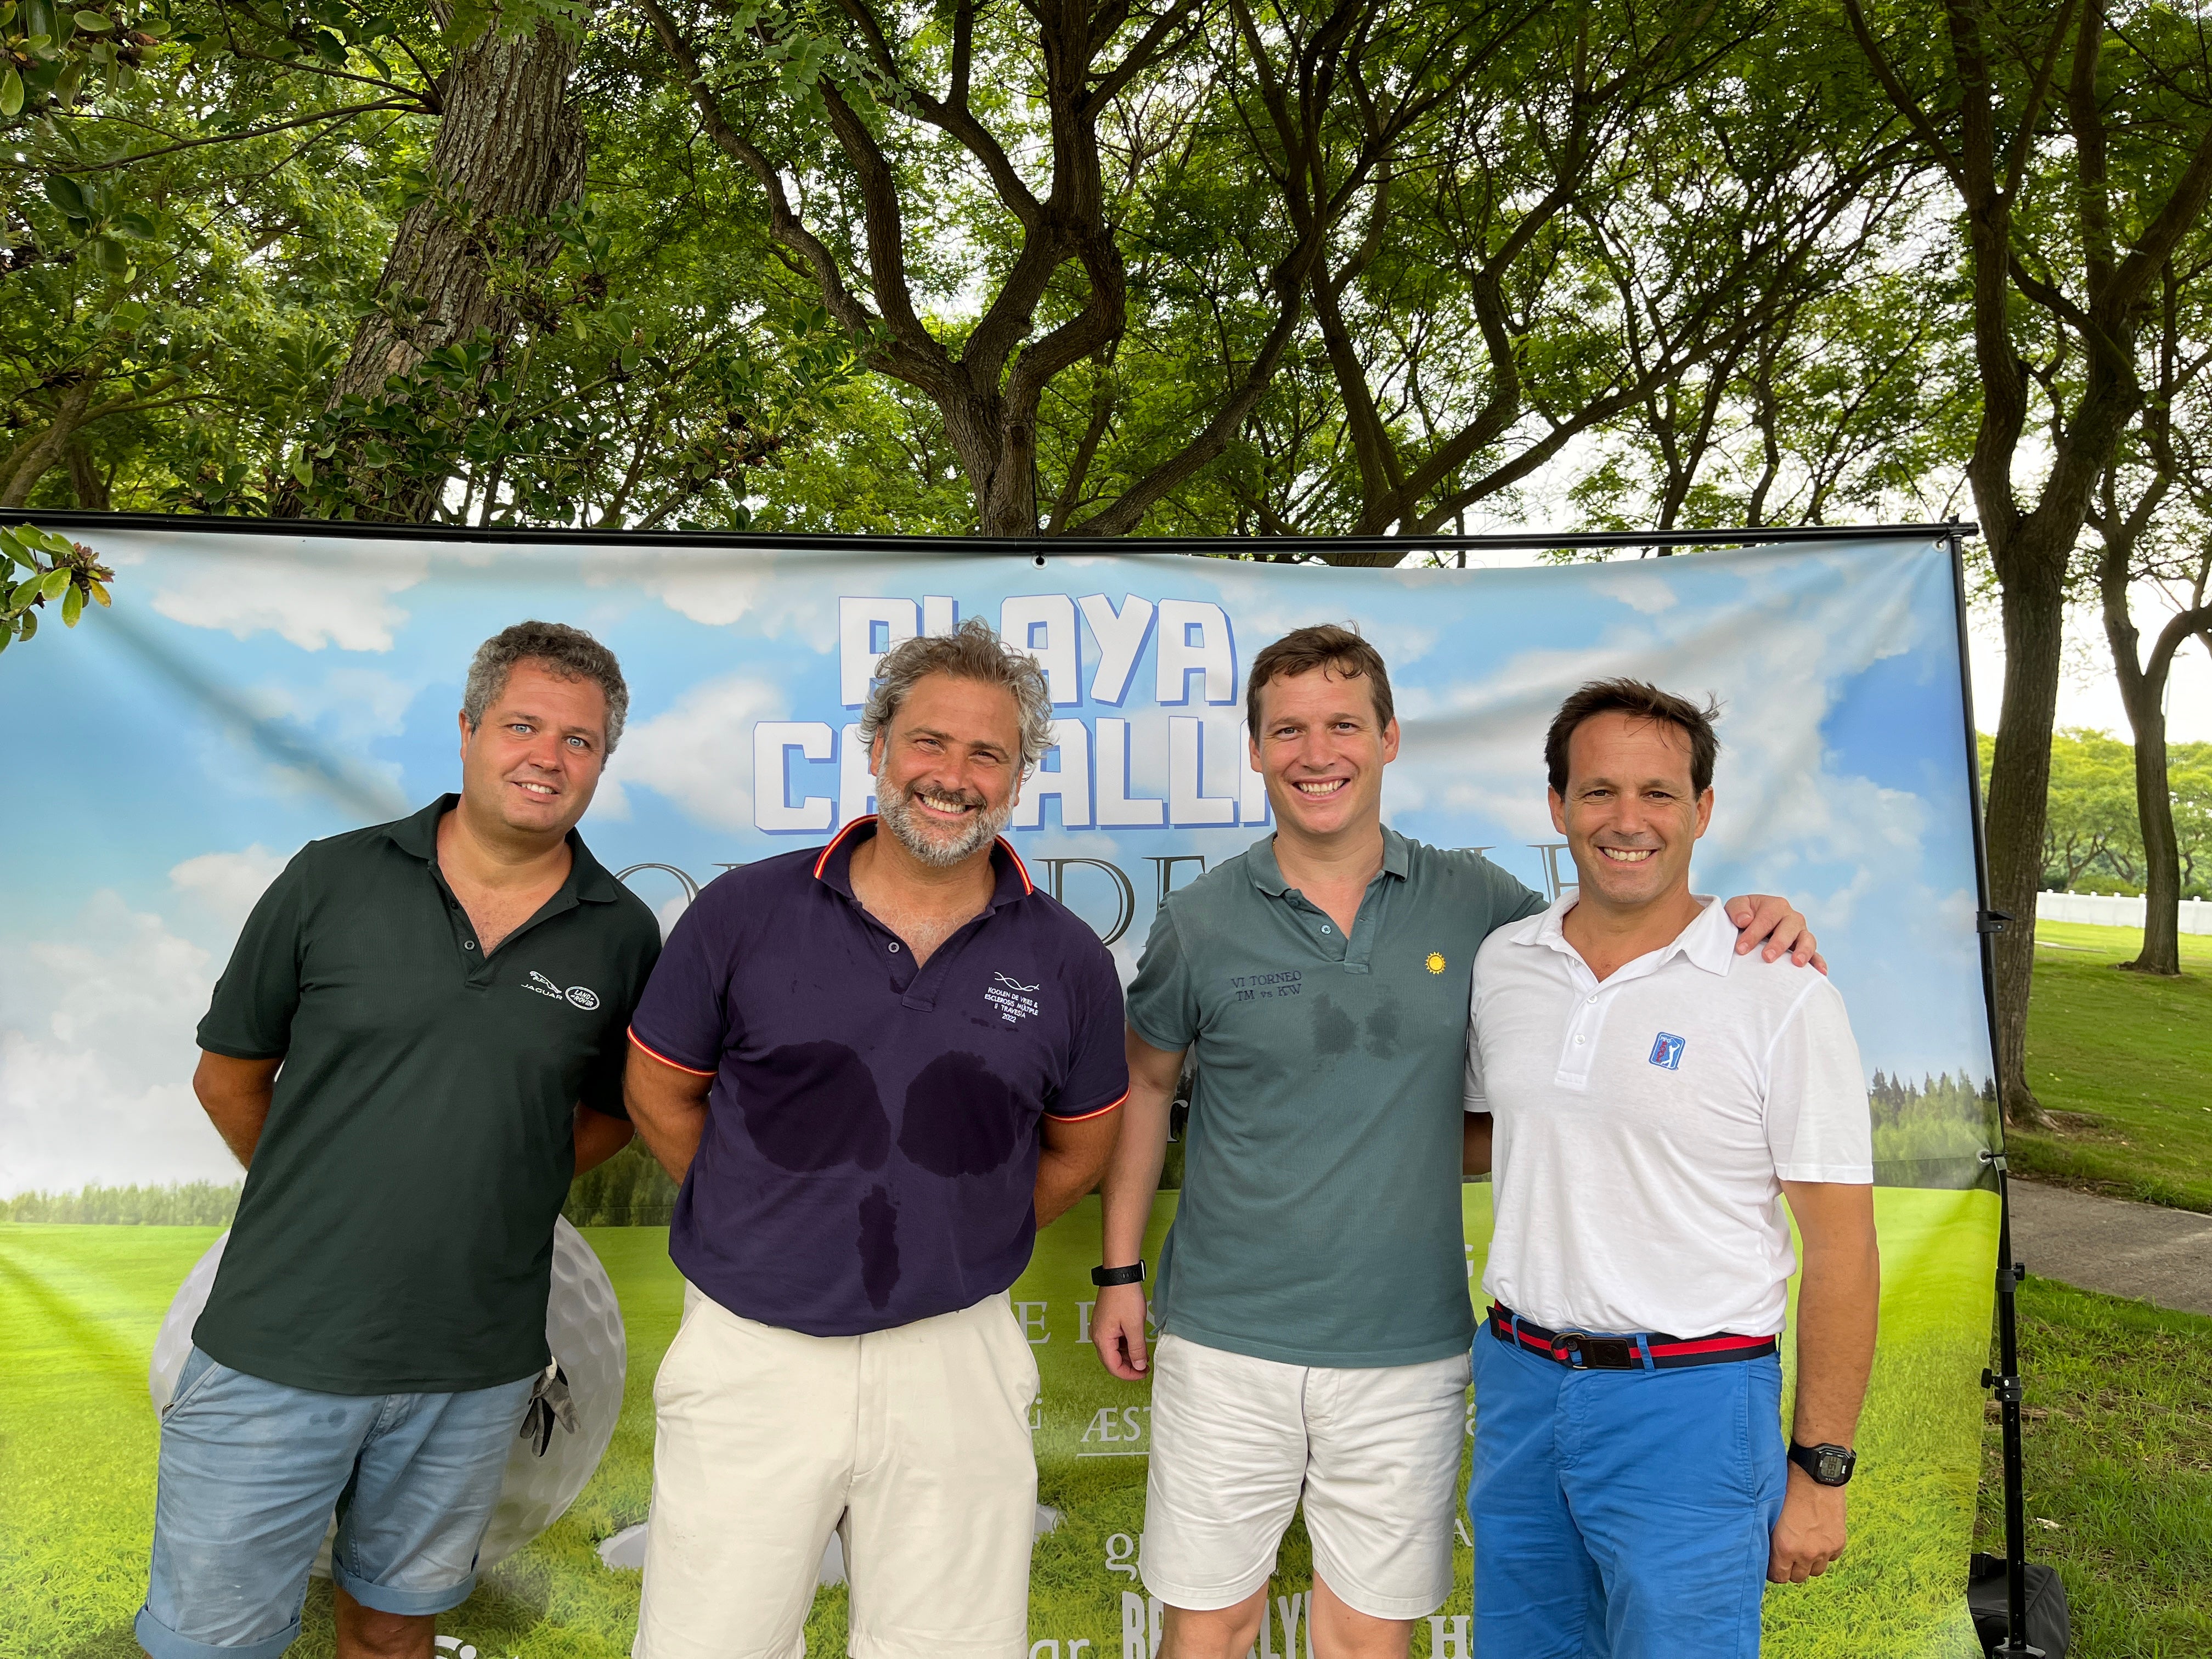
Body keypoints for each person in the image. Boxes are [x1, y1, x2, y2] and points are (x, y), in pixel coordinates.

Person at [1090, 627, 1821, 1659]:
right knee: (1210, 1626)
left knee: (1368, 1635)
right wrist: (1120, 1270)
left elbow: (1621, 919)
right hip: (1223, 1338)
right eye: (1288, 729)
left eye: (1344, 724)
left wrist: (1743, 915)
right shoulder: (1201, 919)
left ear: (1389, 739)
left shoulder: (1482, 906)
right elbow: (1146, 1081)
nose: (1317, 751)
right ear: (1255, 751)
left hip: (1413, 1346)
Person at [139, 622, 661, 1659]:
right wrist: (324, 1188)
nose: (547, 758)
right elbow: (229, 1074)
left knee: (391, 1633)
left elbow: (616, 1112)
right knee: (210, 1643)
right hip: (279, 1345)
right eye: (522, 725)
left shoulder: (622, 931)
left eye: (580, 741)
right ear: (468, 730)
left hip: (471, 1367)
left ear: (603, 761)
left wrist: (496, 1189)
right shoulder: (330, 879)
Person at [624, 618, 1129, 1659]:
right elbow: (658, 1095)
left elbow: (1080, 1153)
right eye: (929, 742)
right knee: (707, 1642)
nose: (953, 776)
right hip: (750, 1349)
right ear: (877, 750)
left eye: (988, 753)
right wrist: (763, 1208)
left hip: (956, 1356)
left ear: (1021, 774)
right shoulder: (743, 912)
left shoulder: (1069, 958)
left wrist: (954, 1225)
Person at [1462, 679, 1879, 1658]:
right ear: (1558, 807)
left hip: (1690, 1403)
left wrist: (1820, 1474)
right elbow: (1494, 1133)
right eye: (1599, 791)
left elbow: (1843, 1249)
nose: (1628, 821)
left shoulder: (1779, 990)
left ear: (1702, 811)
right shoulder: (1504, 963)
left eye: (1658, 794)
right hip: (1522, 1385)